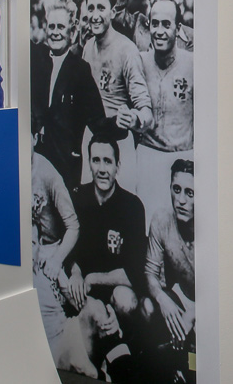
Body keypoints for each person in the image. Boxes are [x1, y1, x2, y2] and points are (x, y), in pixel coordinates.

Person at [65, 135, 147, 373]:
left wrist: (92, 278)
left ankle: (123, 350)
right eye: (96, 161)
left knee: (126, 299)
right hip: (87, 296)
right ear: (89, 163)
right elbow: (69, 249)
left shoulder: (132, 206)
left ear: (117, 166)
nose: (102, 169)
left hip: (114, 291)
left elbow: (134, 272)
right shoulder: (78, 198)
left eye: (108, 162)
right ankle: (114, 361)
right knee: (85, 304)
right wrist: (77, 272)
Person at [31, 0, 109, 192]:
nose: (55, 33)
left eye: (61, 27)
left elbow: (98, 120)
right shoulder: (35, 60)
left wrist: (122, 124)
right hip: (35, 161)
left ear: (72, 32)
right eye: (51, 26)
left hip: (65, 166)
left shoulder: (80, 70)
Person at [30, 152, 96, 376]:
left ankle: (81, 355)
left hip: (55, 250)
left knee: (89, 309)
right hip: (33, 247)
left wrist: (57, 261)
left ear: (36, 137)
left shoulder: (47, 174)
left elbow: (73, 226)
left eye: (25, 137)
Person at [81, 0, 152, 191]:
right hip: (92, 141)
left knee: (122, 215)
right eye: (91, 8)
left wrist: (133, 118)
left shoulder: (127, 51)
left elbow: (146, 111)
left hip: (119, 143)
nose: (95, 15)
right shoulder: (87, 48)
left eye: (101, 8)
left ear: (112, 12)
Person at [136, 0, 194, 222]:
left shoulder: (193, 64)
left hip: (182, 160)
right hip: (148, 159)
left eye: (166, 24)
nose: (159, 31)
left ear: (178, 28)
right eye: (155, 23)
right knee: (148, 230)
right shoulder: (138, 61)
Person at [142, 159, 195, 371]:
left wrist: (193, 315)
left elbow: (229, 288)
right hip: (181, 298)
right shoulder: (162, 219)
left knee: (198, 367)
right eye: (176, 189)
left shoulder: (217, 225)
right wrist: (162, 299)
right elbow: (149, 272)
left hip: (213, 304)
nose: (181, 200)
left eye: (190, 193)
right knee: (147, 306)